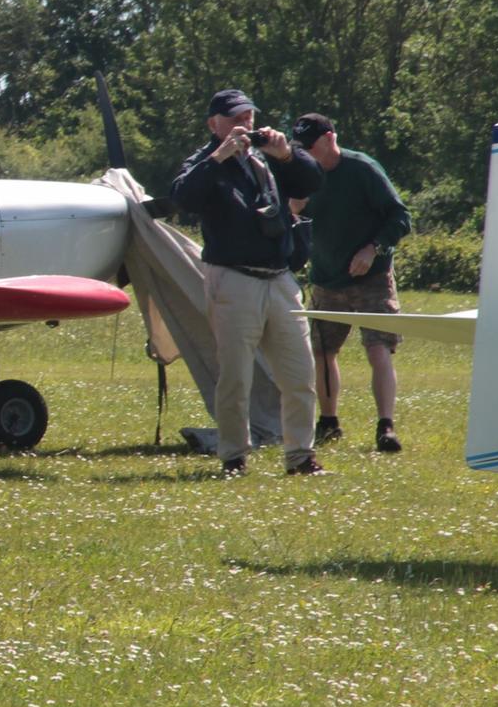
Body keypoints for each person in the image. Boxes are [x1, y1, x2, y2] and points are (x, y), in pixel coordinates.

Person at [170, 89, 326, 477]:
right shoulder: (205, 162)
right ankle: (234, 456)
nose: (245, 125)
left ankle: (301, 457)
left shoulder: (267, 155)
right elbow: (182, 196)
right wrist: (218, 157)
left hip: (279, 277)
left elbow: (312, 179)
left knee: (300, 374)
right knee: (236, 377)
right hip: (233, 278)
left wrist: (286, 154)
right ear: (214, 124)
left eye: (248, 117)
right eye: (235, 118)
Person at [287, 112, 412, 453]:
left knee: (378, 349)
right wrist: (293, 208)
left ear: (329, 138)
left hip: (371, 278)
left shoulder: (363, 169)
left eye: (309, 146)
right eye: (299, 147)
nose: (304, 153)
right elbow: (291, 217)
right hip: (326, 278)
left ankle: (386, 426)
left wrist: (372, 249)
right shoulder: (304, 175)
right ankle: (328, 422)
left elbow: (400, 217)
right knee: (322, 351)